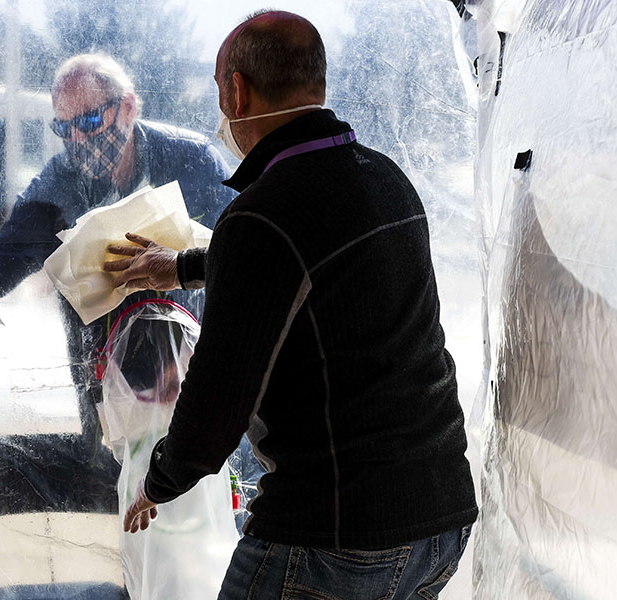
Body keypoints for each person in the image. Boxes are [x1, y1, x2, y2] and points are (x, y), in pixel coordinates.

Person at [116, 10, 478, 599]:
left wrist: (158, 481)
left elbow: (217, 405)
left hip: (336, 537)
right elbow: (314, 266)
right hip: (439, 522)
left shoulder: (263, 215)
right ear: (318, 82)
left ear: (236, 90)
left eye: (218, 88)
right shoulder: (385, 179)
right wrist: (183, 266)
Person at [0, 53, 237, 517]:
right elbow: (4, 265)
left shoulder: (193, 162)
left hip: (193, 375)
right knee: (126, 498)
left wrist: (182, 270)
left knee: (202, 510)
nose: (78, 139)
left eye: (90, 120)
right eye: (64, 128)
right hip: (104, 381)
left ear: (128, 108)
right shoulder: (58, 183)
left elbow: (245, 263)